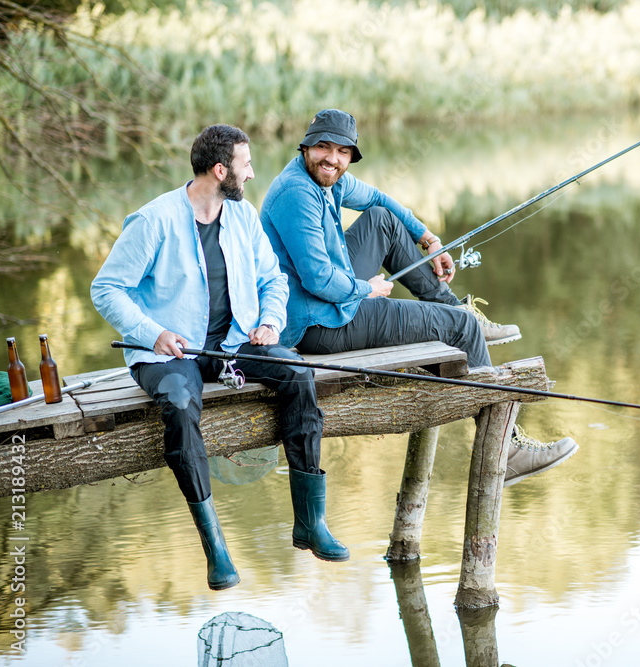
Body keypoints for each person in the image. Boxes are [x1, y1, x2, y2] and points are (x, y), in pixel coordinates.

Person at [91, 124, 348, 592]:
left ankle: (310, 523)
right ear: (219, 170)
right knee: (180, 405)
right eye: (245, 165)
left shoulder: (243, 216)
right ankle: (216, 547)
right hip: (170, 351)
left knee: (298, 374)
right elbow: (106, 289)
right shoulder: (154, 221)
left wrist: (270, 321)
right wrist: (153, 333)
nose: (251, 174)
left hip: (235, 341)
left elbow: (273, 279)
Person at [260, 109, 578, 486]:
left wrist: (427, 238)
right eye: (323, 147)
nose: (333, 158)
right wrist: (369, 289)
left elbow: (378, 198)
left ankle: (458, 313)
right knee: (459, 329)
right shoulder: (297, 193)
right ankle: (505, 452)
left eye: (343, 151)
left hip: (333, 300)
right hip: (318, 322)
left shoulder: (328, 181)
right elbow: (318, 280)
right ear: (306, 147)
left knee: (384, 220)